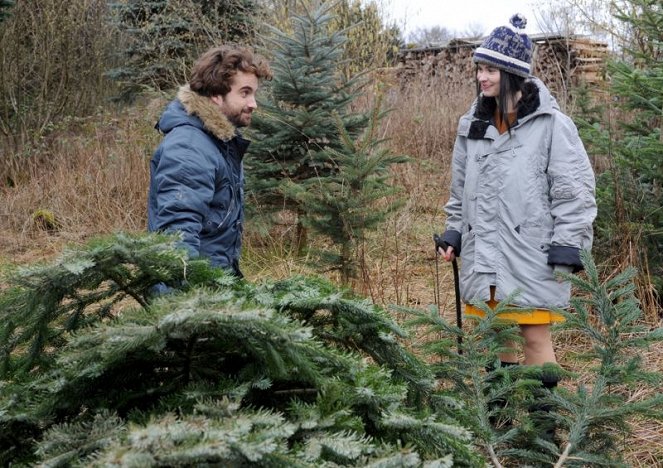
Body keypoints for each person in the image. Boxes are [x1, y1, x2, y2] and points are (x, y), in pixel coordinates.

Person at [437, 14, 596, 382]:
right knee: (497, 335)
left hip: (531, 254)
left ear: (512, 72)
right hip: (485, 255)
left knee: (534, 338)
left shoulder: (553, 125)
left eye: (491, 69)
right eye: (480, 68)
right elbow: (460, 191)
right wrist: (454, 233)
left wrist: (569, 246)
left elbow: (574, 193)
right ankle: (502, 426)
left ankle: (542, 430)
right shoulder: (472, 126)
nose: (482, 77)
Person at [148, 45, 272, 278]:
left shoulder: (220, 141)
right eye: (245, 93)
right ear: (216, 94)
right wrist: (192, 305)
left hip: (215, 289)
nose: (253, 103)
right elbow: (177, 241)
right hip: (194, 299)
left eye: (253, 94)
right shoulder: (190, 147)